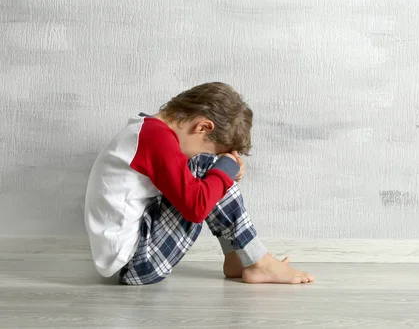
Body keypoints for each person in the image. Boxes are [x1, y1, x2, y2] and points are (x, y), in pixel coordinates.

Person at [84, 82, 314, 285]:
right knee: (206, 166)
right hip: (137, 262)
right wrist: (224, 167)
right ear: (203, 127)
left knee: (211, 170)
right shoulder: (156, 138)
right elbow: (196, 208)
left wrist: (226, 168)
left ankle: (239, 258)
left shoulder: (148, 131)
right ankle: (258, 261)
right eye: (208, 145)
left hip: (133, 254)